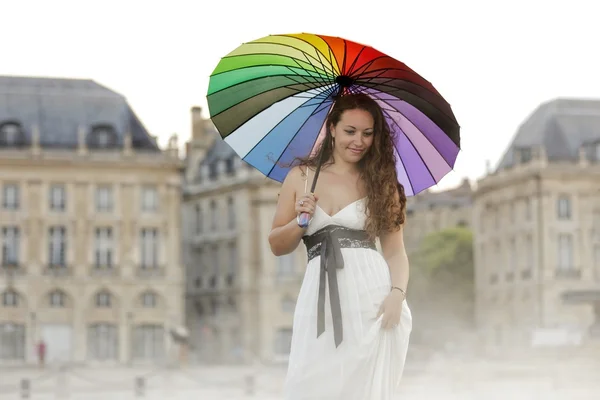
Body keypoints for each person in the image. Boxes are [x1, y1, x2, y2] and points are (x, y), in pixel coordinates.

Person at [269, 93, 412, 400]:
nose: (358, 141)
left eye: (367, 133)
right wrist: (300, 221)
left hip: (373, 298)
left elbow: (395, 252)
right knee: (309, 383)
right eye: (350, 131)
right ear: (332, 128)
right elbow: (276, 245)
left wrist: (397, 296)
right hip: (318, 298)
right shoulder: (301, 178)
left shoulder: (383, 184)